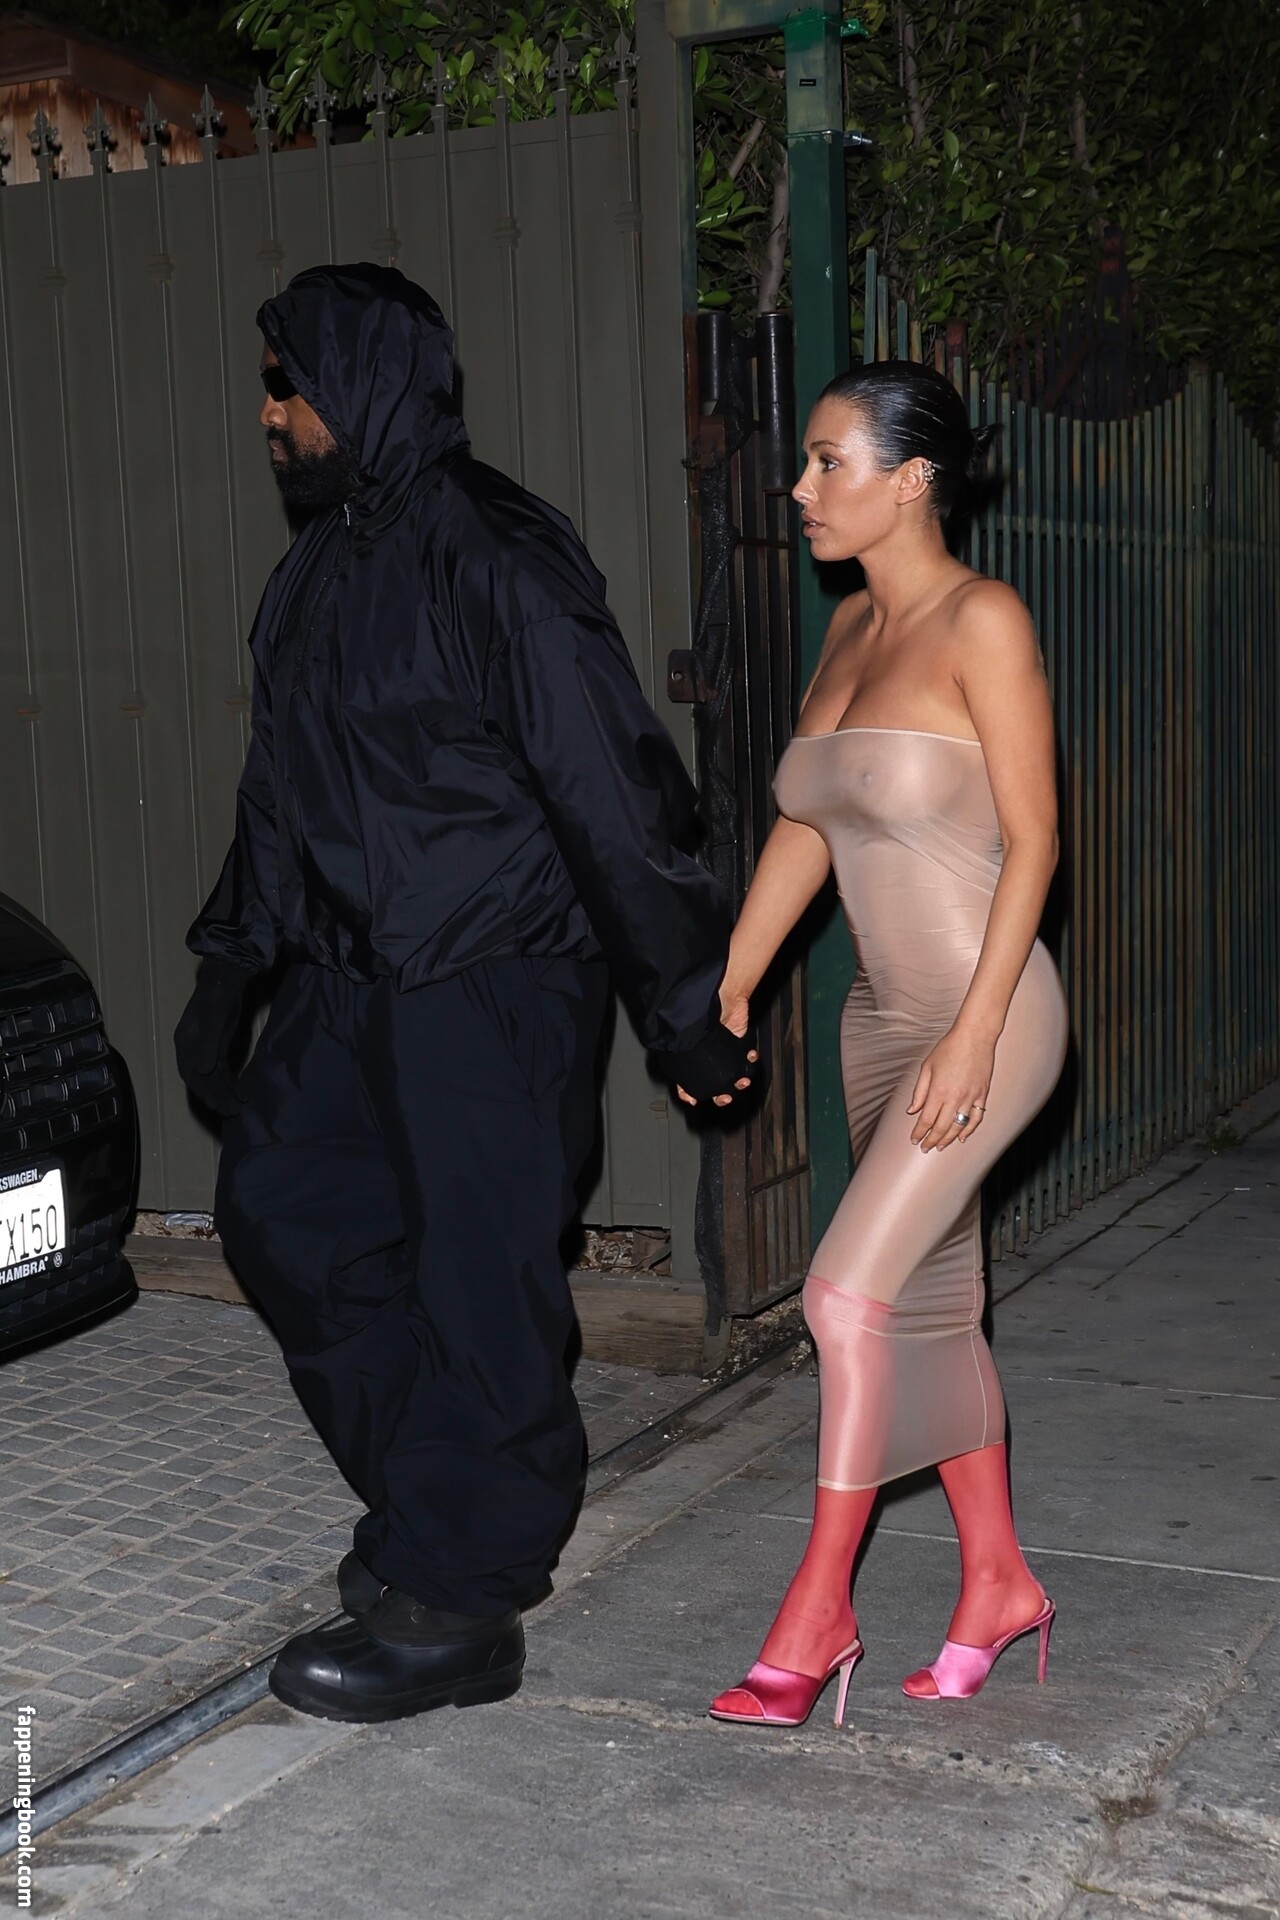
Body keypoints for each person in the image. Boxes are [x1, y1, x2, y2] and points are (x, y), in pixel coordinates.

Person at [173, 262, 755, 1724]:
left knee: (478, 1280)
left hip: (496, 974)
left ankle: (461, 1607)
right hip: (350, 974)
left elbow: (614, 787)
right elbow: (278, 793)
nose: (269, 415)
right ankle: (451, 1506)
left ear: (359, 382)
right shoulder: (316, 570)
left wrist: (687, 1006)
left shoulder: (497, 549)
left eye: (287, 386)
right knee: (286, 1213)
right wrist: (230, 971)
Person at [702, 360, 1067, 1727]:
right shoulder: (851, 626)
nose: (800, 486)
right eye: (806, 462)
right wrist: (734, 981)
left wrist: (975, 1034)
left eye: (828, 462)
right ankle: (998, 1582)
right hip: (879, 1021)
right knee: (928, 1306)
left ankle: (819, 1609)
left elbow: (1036, 841)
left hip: (989, 1013)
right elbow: (809, 824)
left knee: (845, 1300)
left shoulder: (985, 620)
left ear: (914, 479)